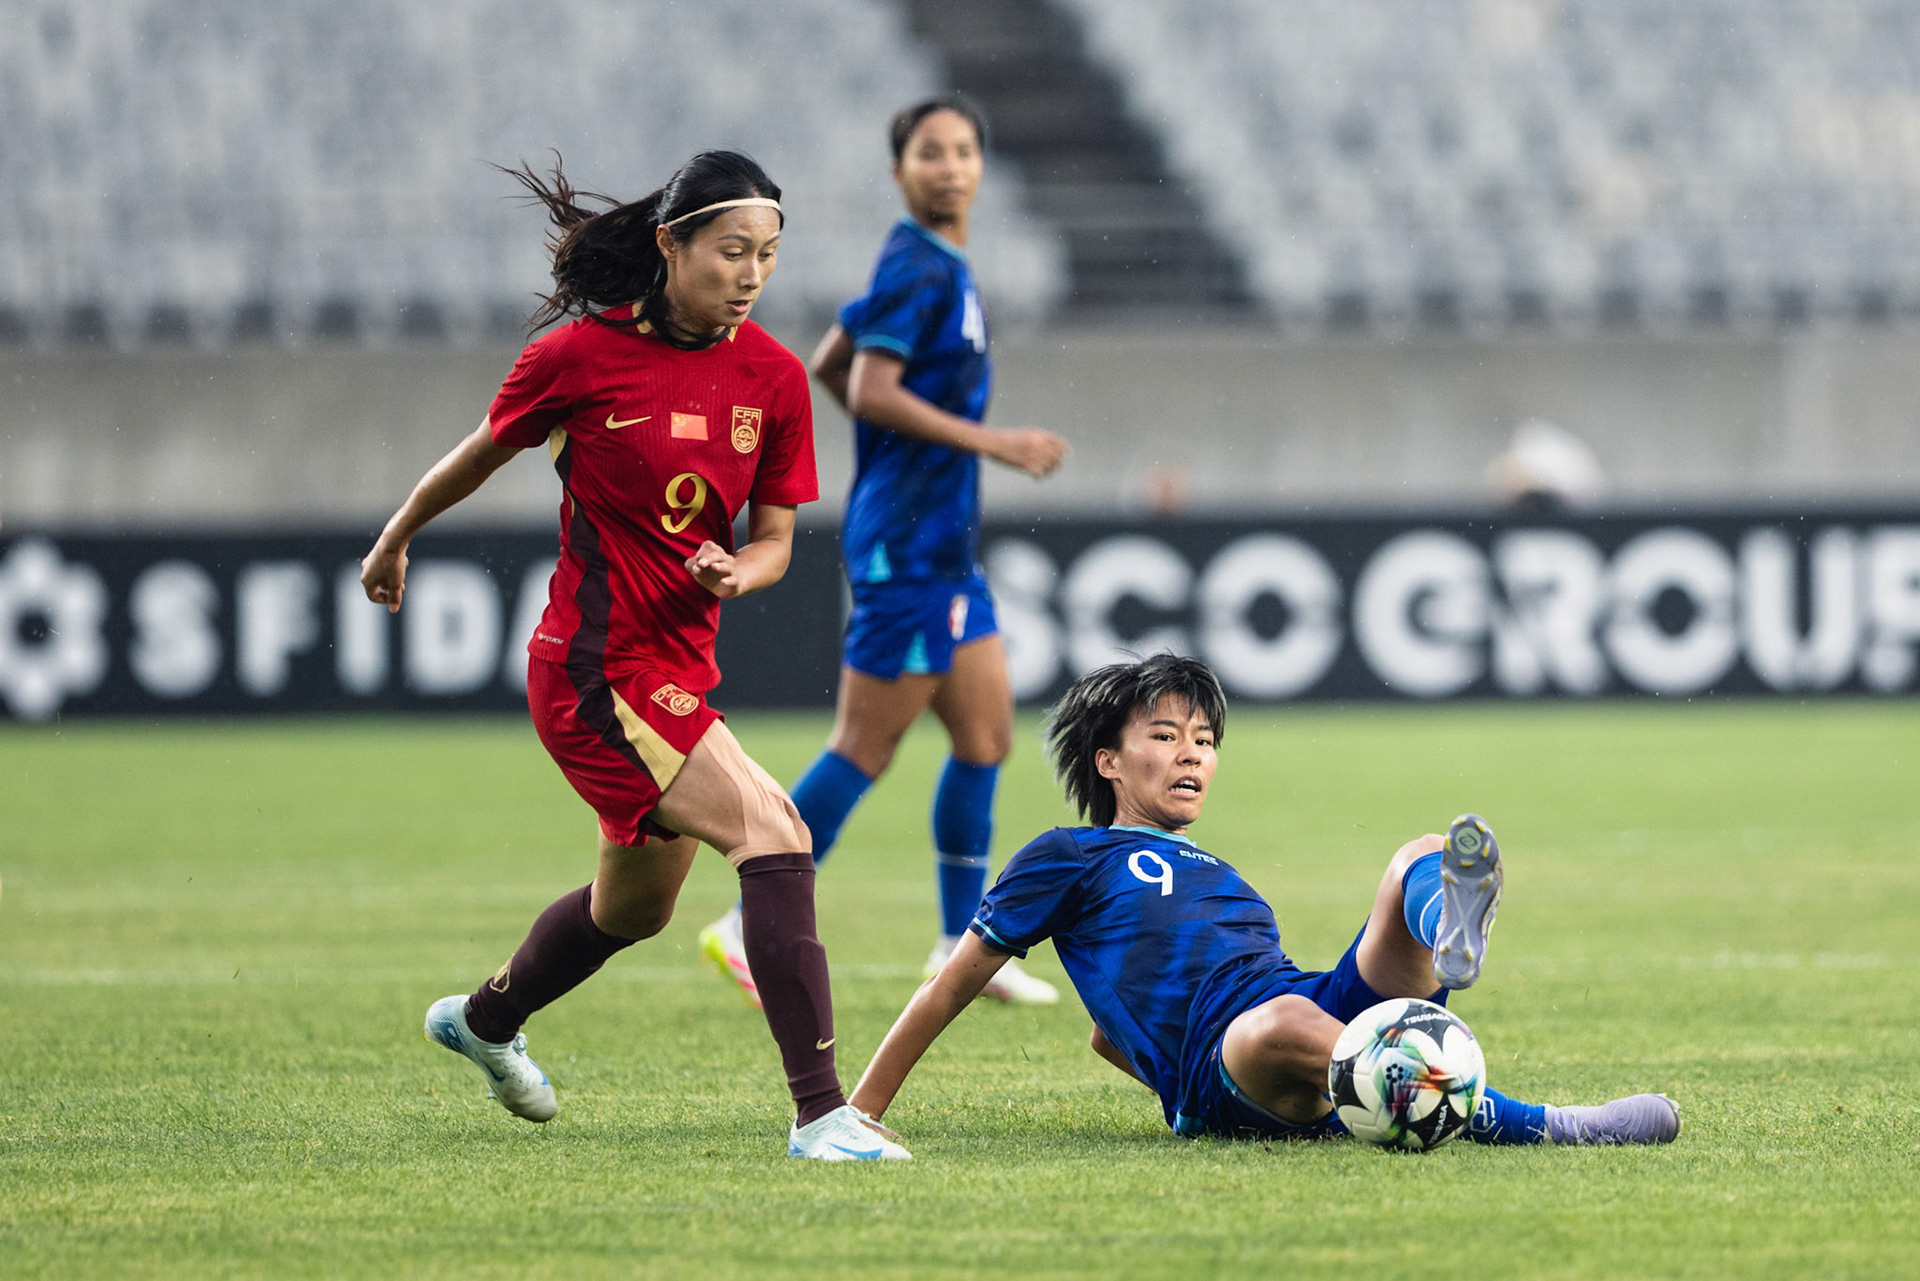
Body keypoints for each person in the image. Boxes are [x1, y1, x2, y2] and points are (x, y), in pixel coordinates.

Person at [359, 150, 908, 1161]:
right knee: (777, 835)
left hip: (679, 674)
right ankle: (823, 1116)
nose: (752, 274)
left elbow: (780, 537)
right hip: (593, 672)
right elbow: (481, 451)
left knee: (634, 912)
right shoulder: (579, 358)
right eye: (733, 251)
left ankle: (481, 1022)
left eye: (770, 256)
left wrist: (747, 569)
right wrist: (396, 537)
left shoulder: (774, 378)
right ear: (670, 244)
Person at [849, 654, 1682, 1148]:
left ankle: (1447, 934)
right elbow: (953, 980)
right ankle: (1550, 1123)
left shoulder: (1218, 866)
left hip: (1300, 999)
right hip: (1233, 1057)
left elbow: (1110, 1033)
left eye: (1205, 742)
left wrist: (1137, 1045)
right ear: (1108, 761)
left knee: (1417, 856)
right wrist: (860, 1110)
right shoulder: (1069, 855)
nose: (1192, 756)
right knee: (1279, 1025)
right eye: (1166, 737)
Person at [700, 95, 1069, 1008]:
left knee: (984, 738)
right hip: (906, 548)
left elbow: (833, 356)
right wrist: (992, 444)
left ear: (980, 167)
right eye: (929, 154)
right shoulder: (918, 266)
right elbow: (868, 383)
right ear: (900, 171)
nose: (949, 167)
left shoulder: (936, 265)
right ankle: (743, 918)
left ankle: (959, 944)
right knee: (864, 746)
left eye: (963, 151)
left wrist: (908, 453)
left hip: (943, 548)